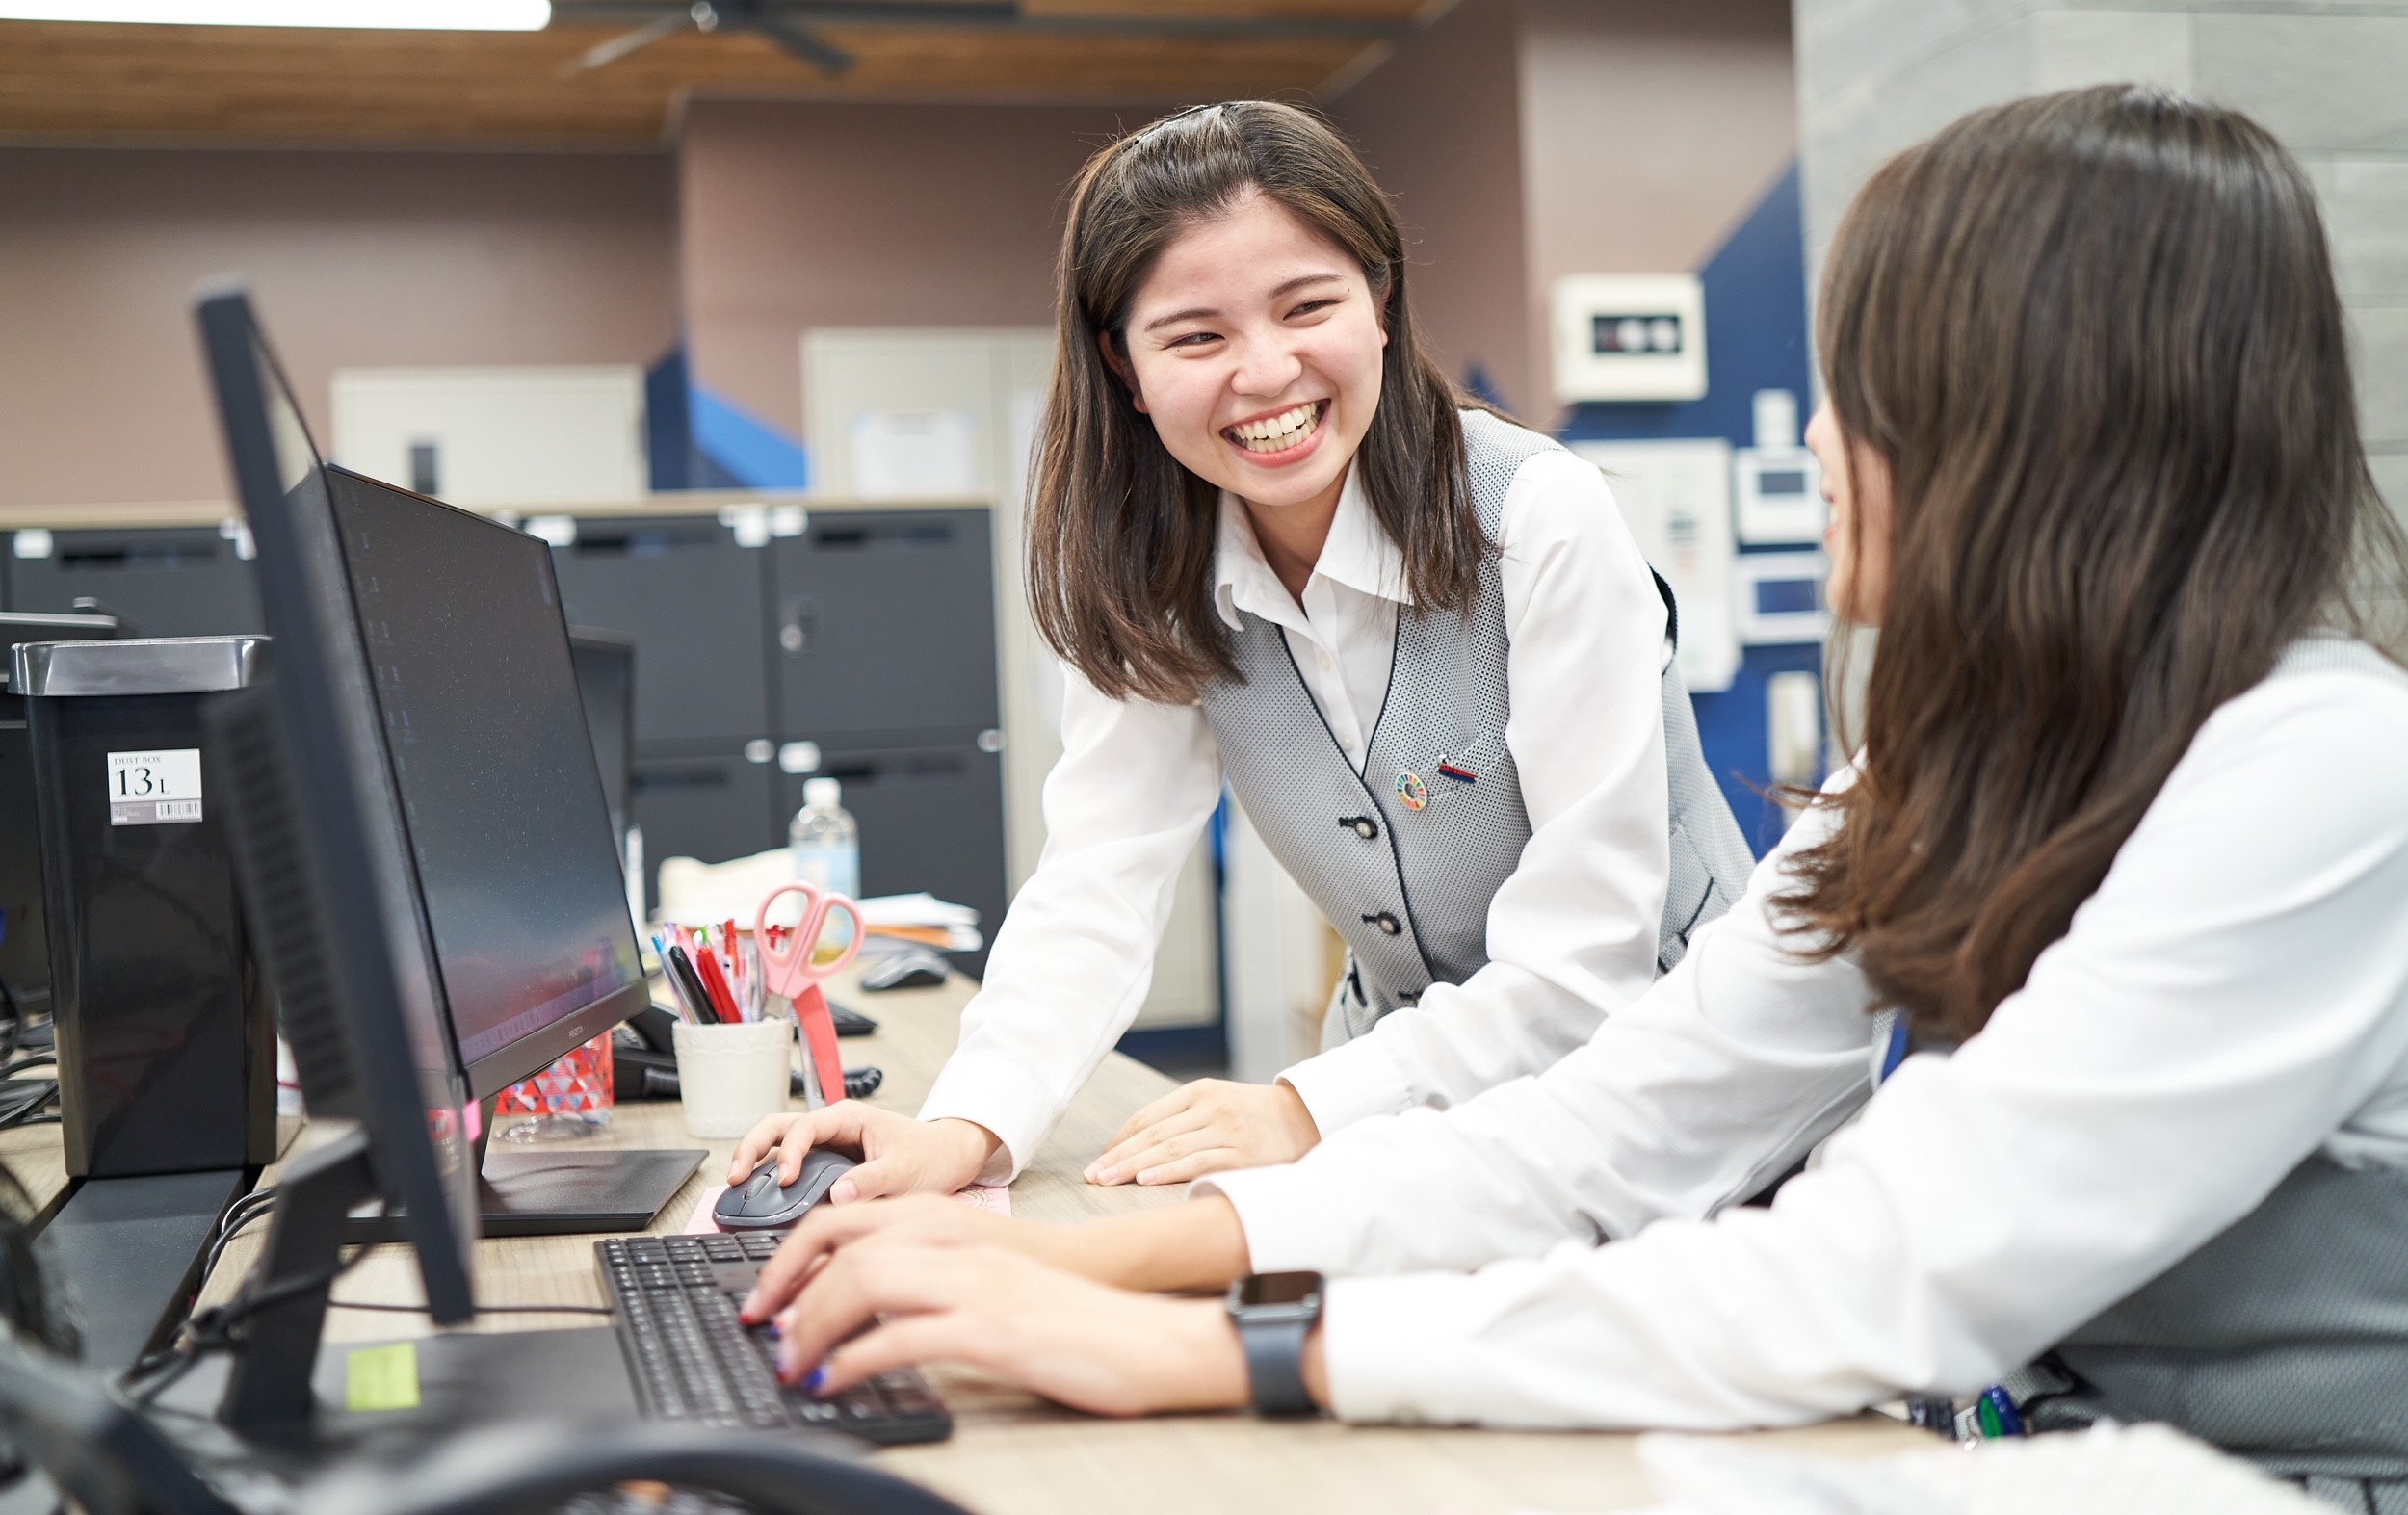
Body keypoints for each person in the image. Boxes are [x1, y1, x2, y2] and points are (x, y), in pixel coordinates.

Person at [741, 86, 2408, 1498]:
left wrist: (1204, 1335)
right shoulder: (1943, 761)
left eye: (1871, 386)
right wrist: (1067, 1237)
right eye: (1193, 332)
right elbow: (1612, 1123)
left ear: (2059, 430)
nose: (1821, 441)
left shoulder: (2322, 773)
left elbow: (1875, 1256)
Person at [735, 100, 1753, 1198]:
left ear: (1380, 300)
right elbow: (1099, 880)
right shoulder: (1152, 575)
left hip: (1672, 1078)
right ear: (1124, 368)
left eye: (1306, 306)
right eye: (1196, 336)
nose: (1265, 374)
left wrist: (1301, 1108)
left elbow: (1584, 959)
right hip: (1415, 1103)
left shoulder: (1538, 519)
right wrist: (966, 1127)